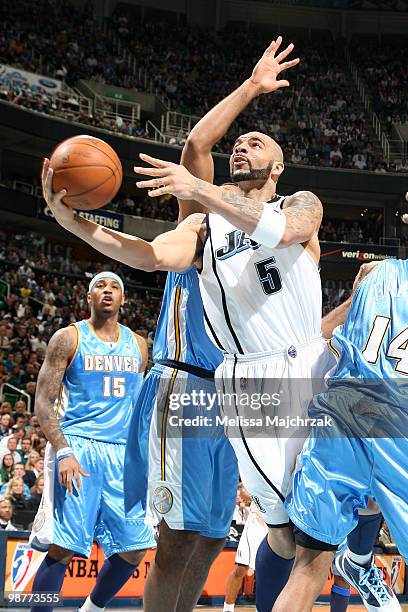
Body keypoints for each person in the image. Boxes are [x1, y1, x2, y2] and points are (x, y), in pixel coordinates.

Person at [41, 37, 386, 611]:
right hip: (238, 383)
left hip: (309, 368)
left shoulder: (301, 203)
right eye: (239, 141)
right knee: (282, 537)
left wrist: (357, 304)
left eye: (257, 141)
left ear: (278, 166)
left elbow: (285, 235)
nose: (242, 143)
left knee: (324, 520)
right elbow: (149, 255)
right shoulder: (204, 229)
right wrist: (71, 222)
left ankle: (361, 552)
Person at [274, 258, 407, 612]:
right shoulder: (376, 274)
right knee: (298, 554)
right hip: (360, 417)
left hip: (341, 418)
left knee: (307, 565)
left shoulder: (377, 273)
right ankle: (357, 563)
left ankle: (358, 562)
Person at [28, 272, 155, 612]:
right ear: (88, 297)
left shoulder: (140, 345)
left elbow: (141, 408)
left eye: (115, 287)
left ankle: (92, 608)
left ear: (124, 299)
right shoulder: (68, 338)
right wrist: (64, 450)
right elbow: (43, 402)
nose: (107, 291)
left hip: (122, 454)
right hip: (78, 448)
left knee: (135, 547)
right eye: (100, 286)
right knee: (64, 548)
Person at [224, 490, 268, 612]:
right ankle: (228, 609)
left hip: (278, 521)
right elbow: (243, 491)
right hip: (258, 522)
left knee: (270, 571)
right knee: (242, 568)